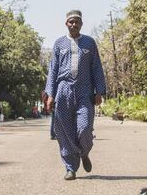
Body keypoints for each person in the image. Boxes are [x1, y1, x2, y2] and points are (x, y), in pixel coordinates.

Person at [45, 10, 106, 180]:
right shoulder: (59, 44)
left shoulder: (89, 43)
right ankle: (70, 167)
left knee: (85, 127)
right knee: (64, 131)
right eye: (71, 22)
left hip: (85, 90)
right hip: (63, 90)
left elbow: (96, 67)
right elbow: (53, 70)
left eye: (77, 21)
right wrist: (50, 94)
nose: (73, 24)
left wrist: (99, 91)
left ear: (81, 24)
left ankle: (84, 152)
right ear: (66, 23)